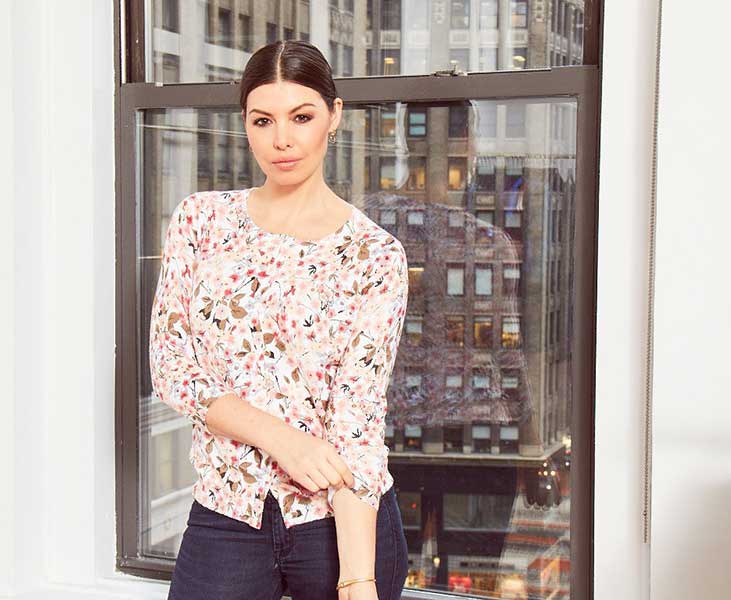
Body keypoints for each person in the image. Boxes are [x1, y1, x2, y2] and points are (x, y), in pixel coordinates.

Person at [148, 39, 410, 600]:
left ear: (333, 117)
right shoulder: (202, 221)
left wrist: (357, 577)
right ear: (245, 123)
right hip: (227, 510)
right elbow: (173, 368)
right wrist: (281, 439)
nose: (282, 140)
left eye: (302, 117)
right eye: (263, 120)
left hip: (340, 523)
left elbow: (358, 421)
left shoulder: (376, 255)